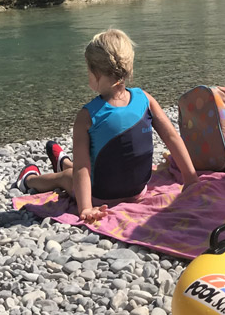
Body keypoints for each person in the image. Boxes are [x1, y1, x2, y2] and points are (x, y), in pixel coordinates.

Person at [15, 28, 199, 222]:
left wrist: (86, 207)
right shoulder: (145, 99)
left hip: (99, 196)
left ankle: (28, 180)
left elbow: (83, 168)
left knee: (67, 178)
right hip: (138, 191)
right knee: (76, 168)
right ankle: (63, 161)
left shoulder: (87, 116)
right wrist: (191, 179)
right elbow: (172, 137)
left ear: (95, 74)